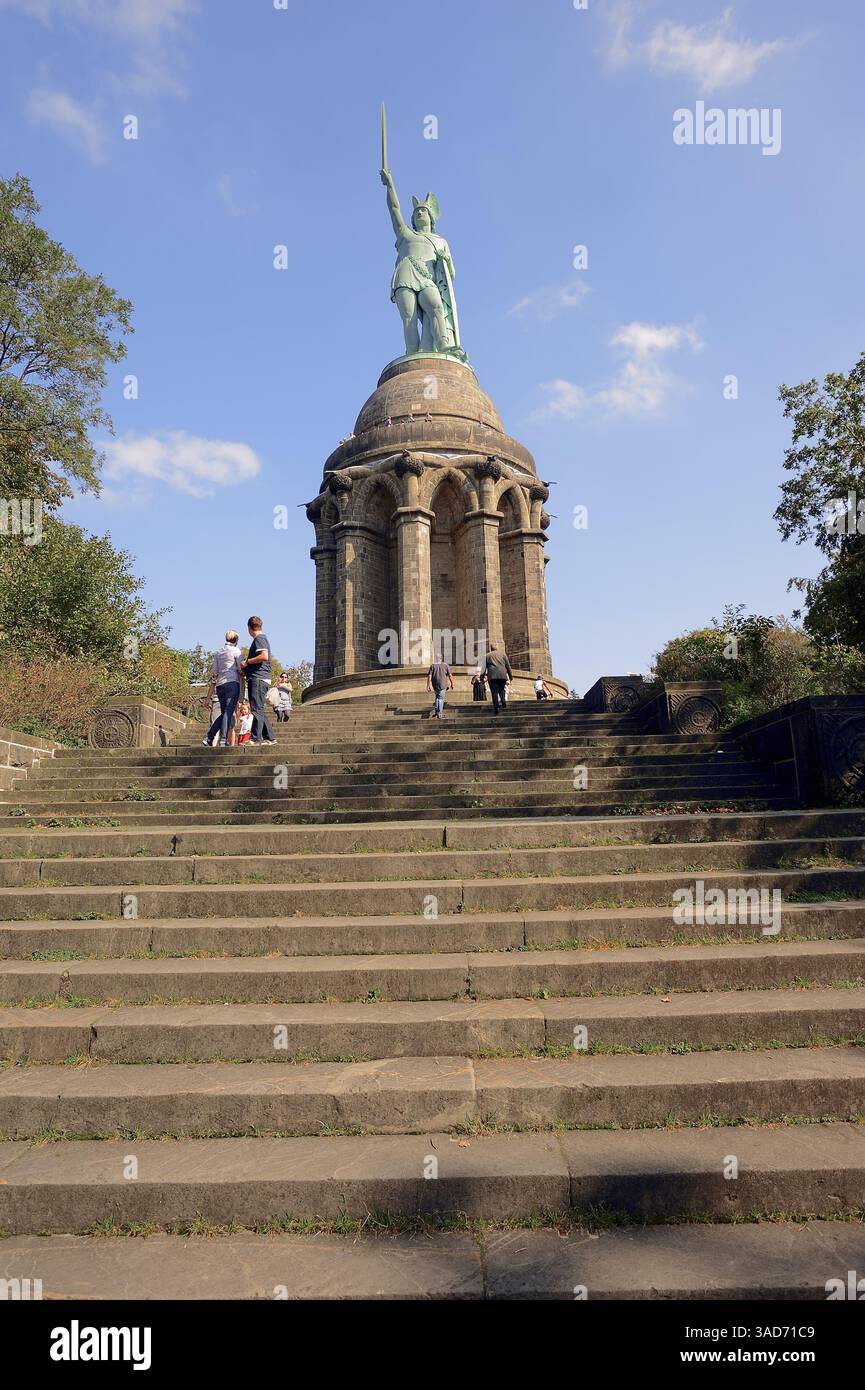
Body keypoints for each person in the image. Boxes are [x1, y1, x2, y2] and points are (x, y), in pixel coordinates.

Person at [203, 630, 243, 748]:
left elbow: (215, 672)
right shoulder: (236, 651)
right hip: (232, 683)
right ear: (236, 640)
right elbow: (241, 668)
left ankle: (210, 737)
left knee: (225, 712)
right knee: (228, 712)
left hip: (220, 685)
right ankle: (223, 739)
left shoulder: (219, 652)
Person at [241, 616, 277, 745]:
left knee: (256, 709)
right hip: (260, 678)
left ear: (249, 628)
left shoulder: (259, 639)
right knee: (259, 709)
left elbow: (264, 656)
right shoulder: (262, 639)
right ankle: (270, 737)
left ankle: (255, 738)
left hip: (258, 678)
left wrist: (247, 662)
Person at [485, 644, 513, 715]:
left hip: (492, 676)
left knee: (494, 692)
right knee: (501, 689)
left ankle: (496, 707)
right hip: (502, 675)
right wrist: (510, 676)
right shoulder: (503, 654)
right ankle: (503, 701)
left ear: (491, 649)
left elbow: (483, 668)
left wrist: (482, 677)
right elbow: (508, 666)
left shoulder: (487, 655)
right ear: (497, 649)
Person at [426, 651, 454, 718]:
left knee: (437, 697)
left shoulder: (432, 666)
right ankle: (440, 713)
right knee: (440, 698)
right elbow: (450, 675)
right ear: (441, 658)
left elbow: (429, 676)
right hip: (443, 684)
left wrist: (428, 685)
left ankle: (436, 712)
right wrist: (452, 683)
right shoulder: (445, 665)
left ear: (436, 658)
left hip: (435, 684)